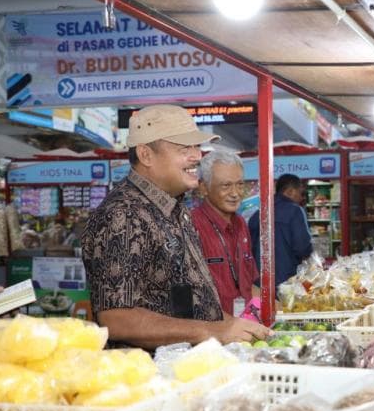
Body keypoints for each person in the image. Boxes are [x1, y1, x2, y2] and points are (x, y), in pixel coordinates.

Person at [82, 104, 270, 349]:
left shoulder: (175, 208)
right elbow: (117, 319)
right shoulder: (122, 214)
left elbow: (192, 302)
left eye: (196, 147)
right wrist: (215, 330)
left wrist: (235, 327)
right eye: (184, 148)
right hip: (150, 377)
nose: (196, 156)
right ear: (146, 155)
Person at [191, 149, 259, 316]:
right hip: (210, 334)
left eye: (240, 184)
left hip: (243, 328)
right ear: (204, 188)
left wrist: (283, 308)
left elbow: (248, 284)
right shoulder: (191, 226)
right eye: (226, 185)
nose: (235, 193)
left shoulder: (241, 224)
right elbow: (192, 296)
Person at [248, 174, 313, 287]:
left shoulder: (257, 214)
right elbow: (303, 248)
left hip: (259, 282)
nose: (302, 197)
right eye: (300, 193)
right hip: (287, 281)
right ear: (290, 191)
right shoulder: (295, 211)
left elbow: (249, 249)